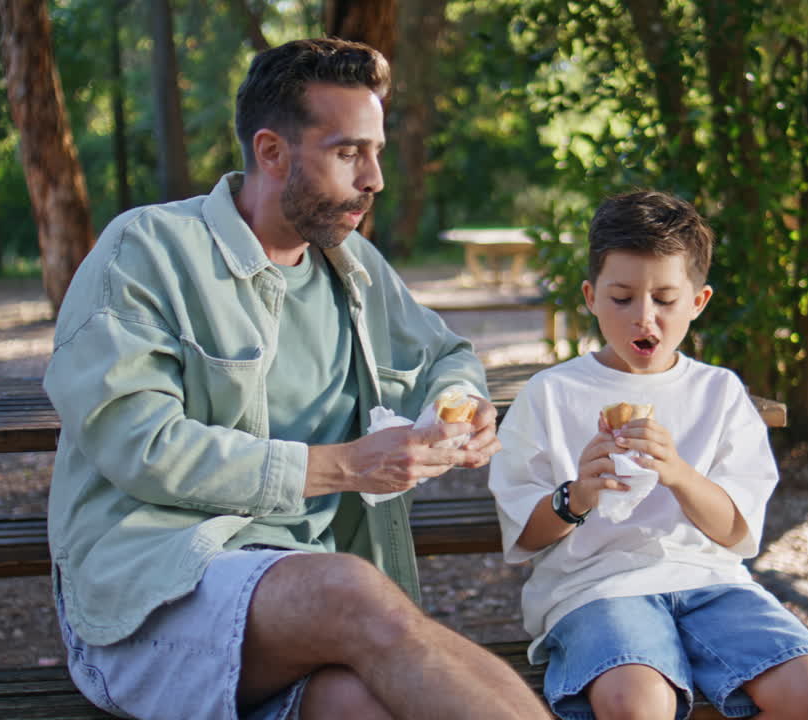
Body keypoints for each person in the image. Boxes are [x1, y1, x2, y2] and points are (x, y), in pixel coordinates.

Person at [44, 38, 550, 720]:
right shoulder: (149, 251)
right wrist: (342, 466)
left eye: (375, 152)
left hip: (308, 617)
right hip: (150, 602)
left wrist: (457, 401)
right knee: (352, 590)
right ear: (272, 152)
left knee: (367, 706)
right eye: (348, 153)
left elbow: (444, 355)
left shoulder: (353, 264)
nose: (374, 178)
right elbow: (144, 446)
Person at [488, 191, 808, 720]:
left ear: (698, 301)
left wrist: (678, 473)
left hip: (711, 583)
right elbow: (524, 537)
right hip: (594, 589)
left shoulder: (720, 393)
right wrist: (578, 495)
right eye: (621, 298)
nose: (644, 318)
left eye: (664, 298)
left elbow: (735, 532)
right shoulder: (550, 394)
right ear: (590, 296)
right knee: (638, 704)